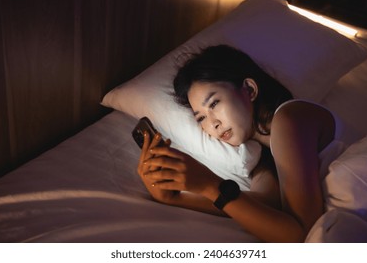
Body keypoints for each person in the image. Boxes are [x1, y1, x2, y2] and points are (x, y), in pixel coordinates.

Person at [137, 45, 337, 242]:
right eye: (201, 118)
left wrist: (209, 184)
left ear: (249, 89)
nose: (213, 123)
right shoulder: (260, 154)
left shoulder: (289, 119)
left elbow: (301, 235)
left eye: (214, 103)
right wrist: (174, 198)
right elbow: (261, 204)